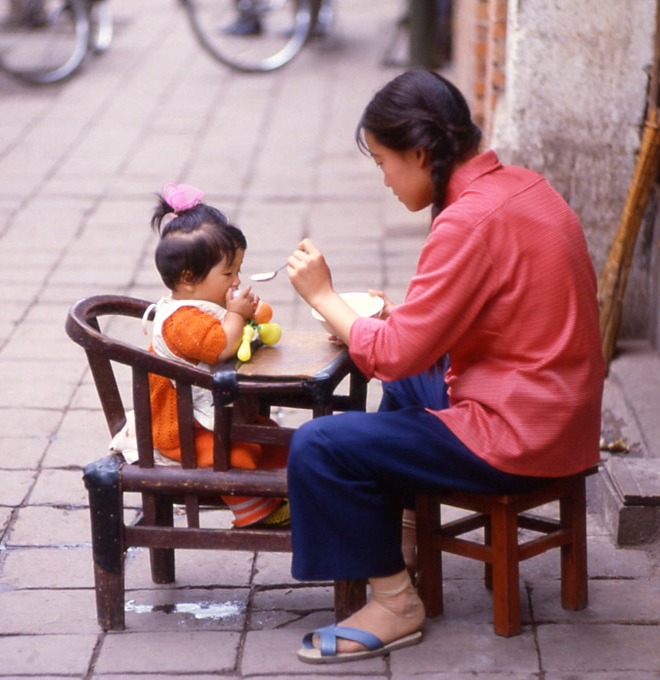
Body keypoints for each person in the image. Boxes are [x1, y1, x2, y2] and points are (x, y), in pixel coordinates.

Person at [284, 70, 605, 663]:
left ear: (420, 152)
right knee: (406, 377)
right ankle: (404, 539)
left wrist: (324, 297)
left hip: (519, 437)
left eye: (383, 161)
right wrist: (391, 318)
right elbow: (452, 326)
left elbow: (392, 353)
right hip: (564, 417)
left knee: (320, 444)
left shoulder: (466, 221)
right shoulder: (524, 186)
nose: (383, 178)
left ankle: (394, 602)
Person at [146, 183, 290, 528]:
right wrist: (237, 315)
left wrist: (250, 314)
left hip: (211, 418)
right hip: (181, 431)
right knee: (239, 456)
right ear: (188, 279)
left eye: (238, 270)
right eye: (229, 273)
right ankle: (258, 515)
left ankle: (287, 493)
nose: (236, 281)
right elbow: (222, 346)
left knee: (276, 439)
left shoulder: (206, 307)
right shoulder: (182, 321)